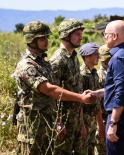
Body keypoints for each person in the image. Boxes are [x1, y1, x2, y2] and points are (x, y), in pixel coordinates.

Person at [13, 21, 95, 155]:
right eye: (42, 38)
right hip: (32, 129)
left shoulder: (43, 63)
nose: (46, 41)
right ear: (32, 40)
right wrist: (81, 98)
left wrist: (57, 121)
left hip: (47, 125)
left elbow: (52, 99)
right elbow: (50, 90)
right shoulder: (26, 65)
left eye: (47, 37)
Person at [93, 20, 124, 155]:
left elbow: (121, 93)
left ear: (114, 36)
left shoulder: (118, 58)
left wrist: (113, 124)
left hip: (121, 118)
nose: (104, 37)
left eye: (106, 34)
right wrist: (102, 92)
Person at [50, 18, 89, 155]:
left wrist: (82, 123)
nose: (81, 37)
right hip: (64, 122)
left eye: (80, 34)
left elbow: (78, 91)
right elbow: (52, 94)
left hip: (76, 119)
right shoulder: (57, 60)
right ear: (67, 35)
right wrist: (58, 122)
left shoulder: (74, 57)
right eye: (77, 34)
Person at [79, 43, 106, 155]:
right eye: (95, 54)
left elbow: (96, 102)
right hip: (83, 120)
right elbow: (79, 102)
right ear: (86, 56)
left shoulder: (94, 74)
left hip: (92, 120)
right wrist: (82, 126)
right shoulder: (81, 75)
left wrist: (100, 124)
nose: (99, 57)